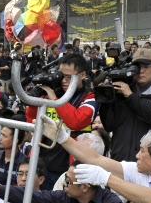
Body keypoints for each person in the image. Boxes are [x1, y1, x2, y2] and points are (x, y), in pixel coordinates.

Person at [25, 53, 98, 189]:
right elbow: (31, 119)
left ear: (82, 75)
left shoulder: (89, 98)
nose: (63, 81)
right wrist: (37, 98)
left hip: (69, 168)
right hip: (42, 164)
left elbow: (76, 122)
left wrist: (54, 99)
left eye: (69, 77)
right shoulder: (53, 93)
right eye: (61, 76)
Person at [99, 48, 151, 162]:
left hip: (149, 163)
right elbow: (109, 125)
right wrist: (106, 97)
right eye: (137, 67)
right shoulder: (121, 92)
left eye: (146, 67)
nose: (141, 71)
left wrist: (130, 96)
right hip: (120, 159)